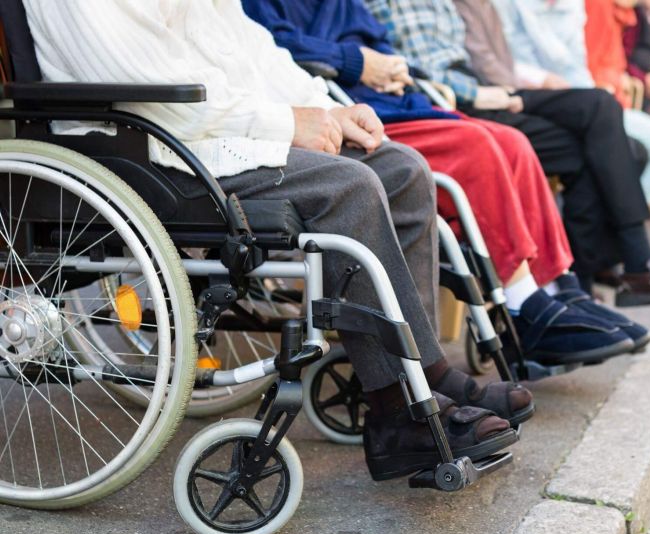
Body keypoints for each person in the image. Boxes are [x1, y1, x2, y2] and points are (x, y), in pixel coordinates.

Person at [21, 0, 531, 481]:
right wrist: (286, 123)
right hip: (145, 150)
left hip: (202, 135)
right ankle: (398, 411)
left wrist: (328, 108)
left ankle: (425, 373)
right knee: (348, 188)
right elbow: (150, 86)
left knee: (402, 170)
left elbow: (246, 48)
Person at [241, 0, 648, 361]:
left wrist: (390, 64)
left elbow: (377, 39)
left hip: (387, 97)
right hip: (348, 108)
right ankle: (525, 308)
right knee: (477, 146)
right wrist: (359, 61)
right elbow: (273, 47)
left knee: (514, 143)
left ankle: (557, 287)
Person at [365, 0, 650, 307]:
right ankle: (628, 264)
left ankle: (585, 280)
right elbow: (429, 67)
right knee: (601, 112)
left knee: (603, 135)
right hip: (481, 97)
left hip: (501, 92)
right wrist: (494, 91)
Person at [492, 0, 650, 208]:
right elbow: (508, 64)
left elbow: (581, 66)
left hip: (592, 97)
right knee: (642, 151)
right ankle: (619, 222)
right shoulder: (596, 6)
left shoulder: (629, 14)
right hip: (548, 100)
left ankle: (619, 220)